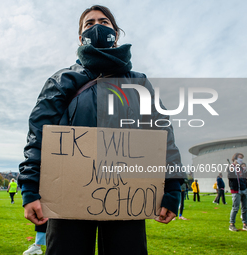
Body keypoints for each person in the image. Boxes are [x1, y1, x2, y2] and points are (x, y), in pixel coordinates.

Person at [19, 5, 185, 254]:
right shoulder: (62, 80)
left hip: (126, 195)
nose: (97, 26)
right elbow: (38, 134)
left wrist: (172, 187)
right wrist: (30, 188)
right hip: (67, 194)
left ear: (116, 33)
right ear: (80, 37)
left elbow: (163, 136)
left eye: (104, 21)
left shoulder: (139, 83)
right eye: (89, 23)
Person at [228, 153, 247, 231]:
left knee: (245, 208)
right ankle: (231, 224)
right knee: (235, 208)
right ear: (235, 158)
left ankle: (245, 224)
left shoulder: (241, 168)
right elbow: (230, 177)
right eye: (240, 158)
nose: (241, 159)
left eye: (242, 158)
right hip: (236, 190)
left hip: (244, 189)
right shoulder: (231, 167)